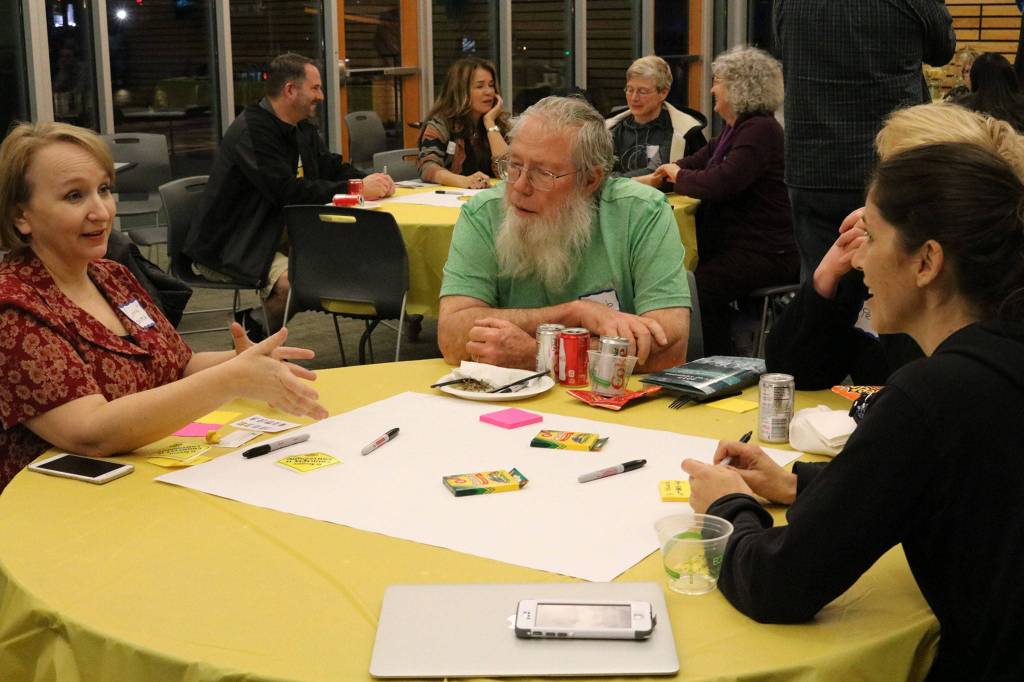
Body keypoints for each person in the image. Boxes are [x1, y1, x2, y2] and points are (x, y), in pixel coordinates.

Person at [683, 141, 1024, 680]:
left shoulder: (929, 396)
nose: (858, 257)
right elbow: (941, 485)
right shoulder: (994, 361)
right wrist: (800, 482)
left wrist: (727, 507)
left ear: (927, 261)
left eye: (872, 237)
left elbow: (780, 585)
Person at [0, 122, 328, 492]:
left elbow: (178, 365)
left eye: (104, 190)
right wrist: (231, 379)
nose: (102, 212)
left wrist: (244, 363)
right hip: (61, 507)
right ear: (20, 217)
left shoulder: (111, 276)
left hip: (149, 479)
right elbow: (89, 433)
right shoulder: (13, 307)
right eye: (74, 196)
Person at [766, 103, 1024, 389]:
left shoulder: (987, 290)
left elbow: (931, 388)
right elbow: (794, 372)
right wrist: (827, 276)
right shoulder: (875, 253)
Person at [437, 96, 691, 372]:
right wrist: (572, 315)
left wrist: (542, 355)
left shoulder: (642, 212)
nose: (519, 187)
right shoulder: (483, 213)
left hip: (610, 406)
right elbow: (452, 337)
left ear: (590, 180)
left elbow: (671, 349)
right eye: (514, 165)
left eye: (543, 173)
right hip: (507, 408)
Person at [184, 52, 395, 337]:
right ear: (290, 90)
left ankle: (256, 326)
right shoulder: (252, 132)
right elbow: (284, 190)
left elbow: (328, 166)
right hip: (235, 241)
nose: (321, 96)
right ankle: (251, 335)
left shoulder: (300, 127)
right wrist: (356, 189)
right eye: (316, 88)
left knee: (347, 263)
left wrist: (368, 179)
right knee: (295, 284)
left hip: (274, 232)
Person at [774, 0, 955, 279]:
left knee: (821, 284)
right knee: (897, 286)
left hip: (812, 165)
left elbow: (783, 43)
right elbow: (943, 49)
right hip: (890, 165)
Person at [635, 46, 798, 356]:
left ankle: (711, 363)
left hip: (765, 252)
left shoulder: (760, 131)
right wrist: (663, 174)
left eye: (718, 80)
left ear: (740, 87)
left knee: (694, 290)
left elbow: (722, 182)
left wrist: (677, 176)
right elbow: (699, 159)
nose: (712, 88)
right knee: (693, 282)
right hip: (740, 248)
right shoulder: (737, 129)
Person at [605, 56, 706, 178]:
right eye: (630, 90)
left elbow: (657, 173)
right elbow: (599, 173)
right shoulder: (610, 129)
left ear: (663, 93)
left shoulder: (683, 132)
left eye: (642, 91)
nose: (634, 98)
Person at [417, 58, 510, 189]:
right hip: (452, 199)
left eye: (491, 85)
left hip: (489, 197)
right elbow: (427, 167)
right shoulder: (441, 124)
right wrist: (464, 181)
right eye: (480, 86)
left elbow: (508, 172)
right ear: (460, 91)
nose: (489, 92)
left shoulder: (498, 124)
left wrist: (489, 123)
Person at [959, 52, 1024, 132]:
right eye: (966, 71)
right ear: (1010, 77)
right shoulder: (1019, 108)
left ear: (974, 79)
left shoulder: (960, 110)